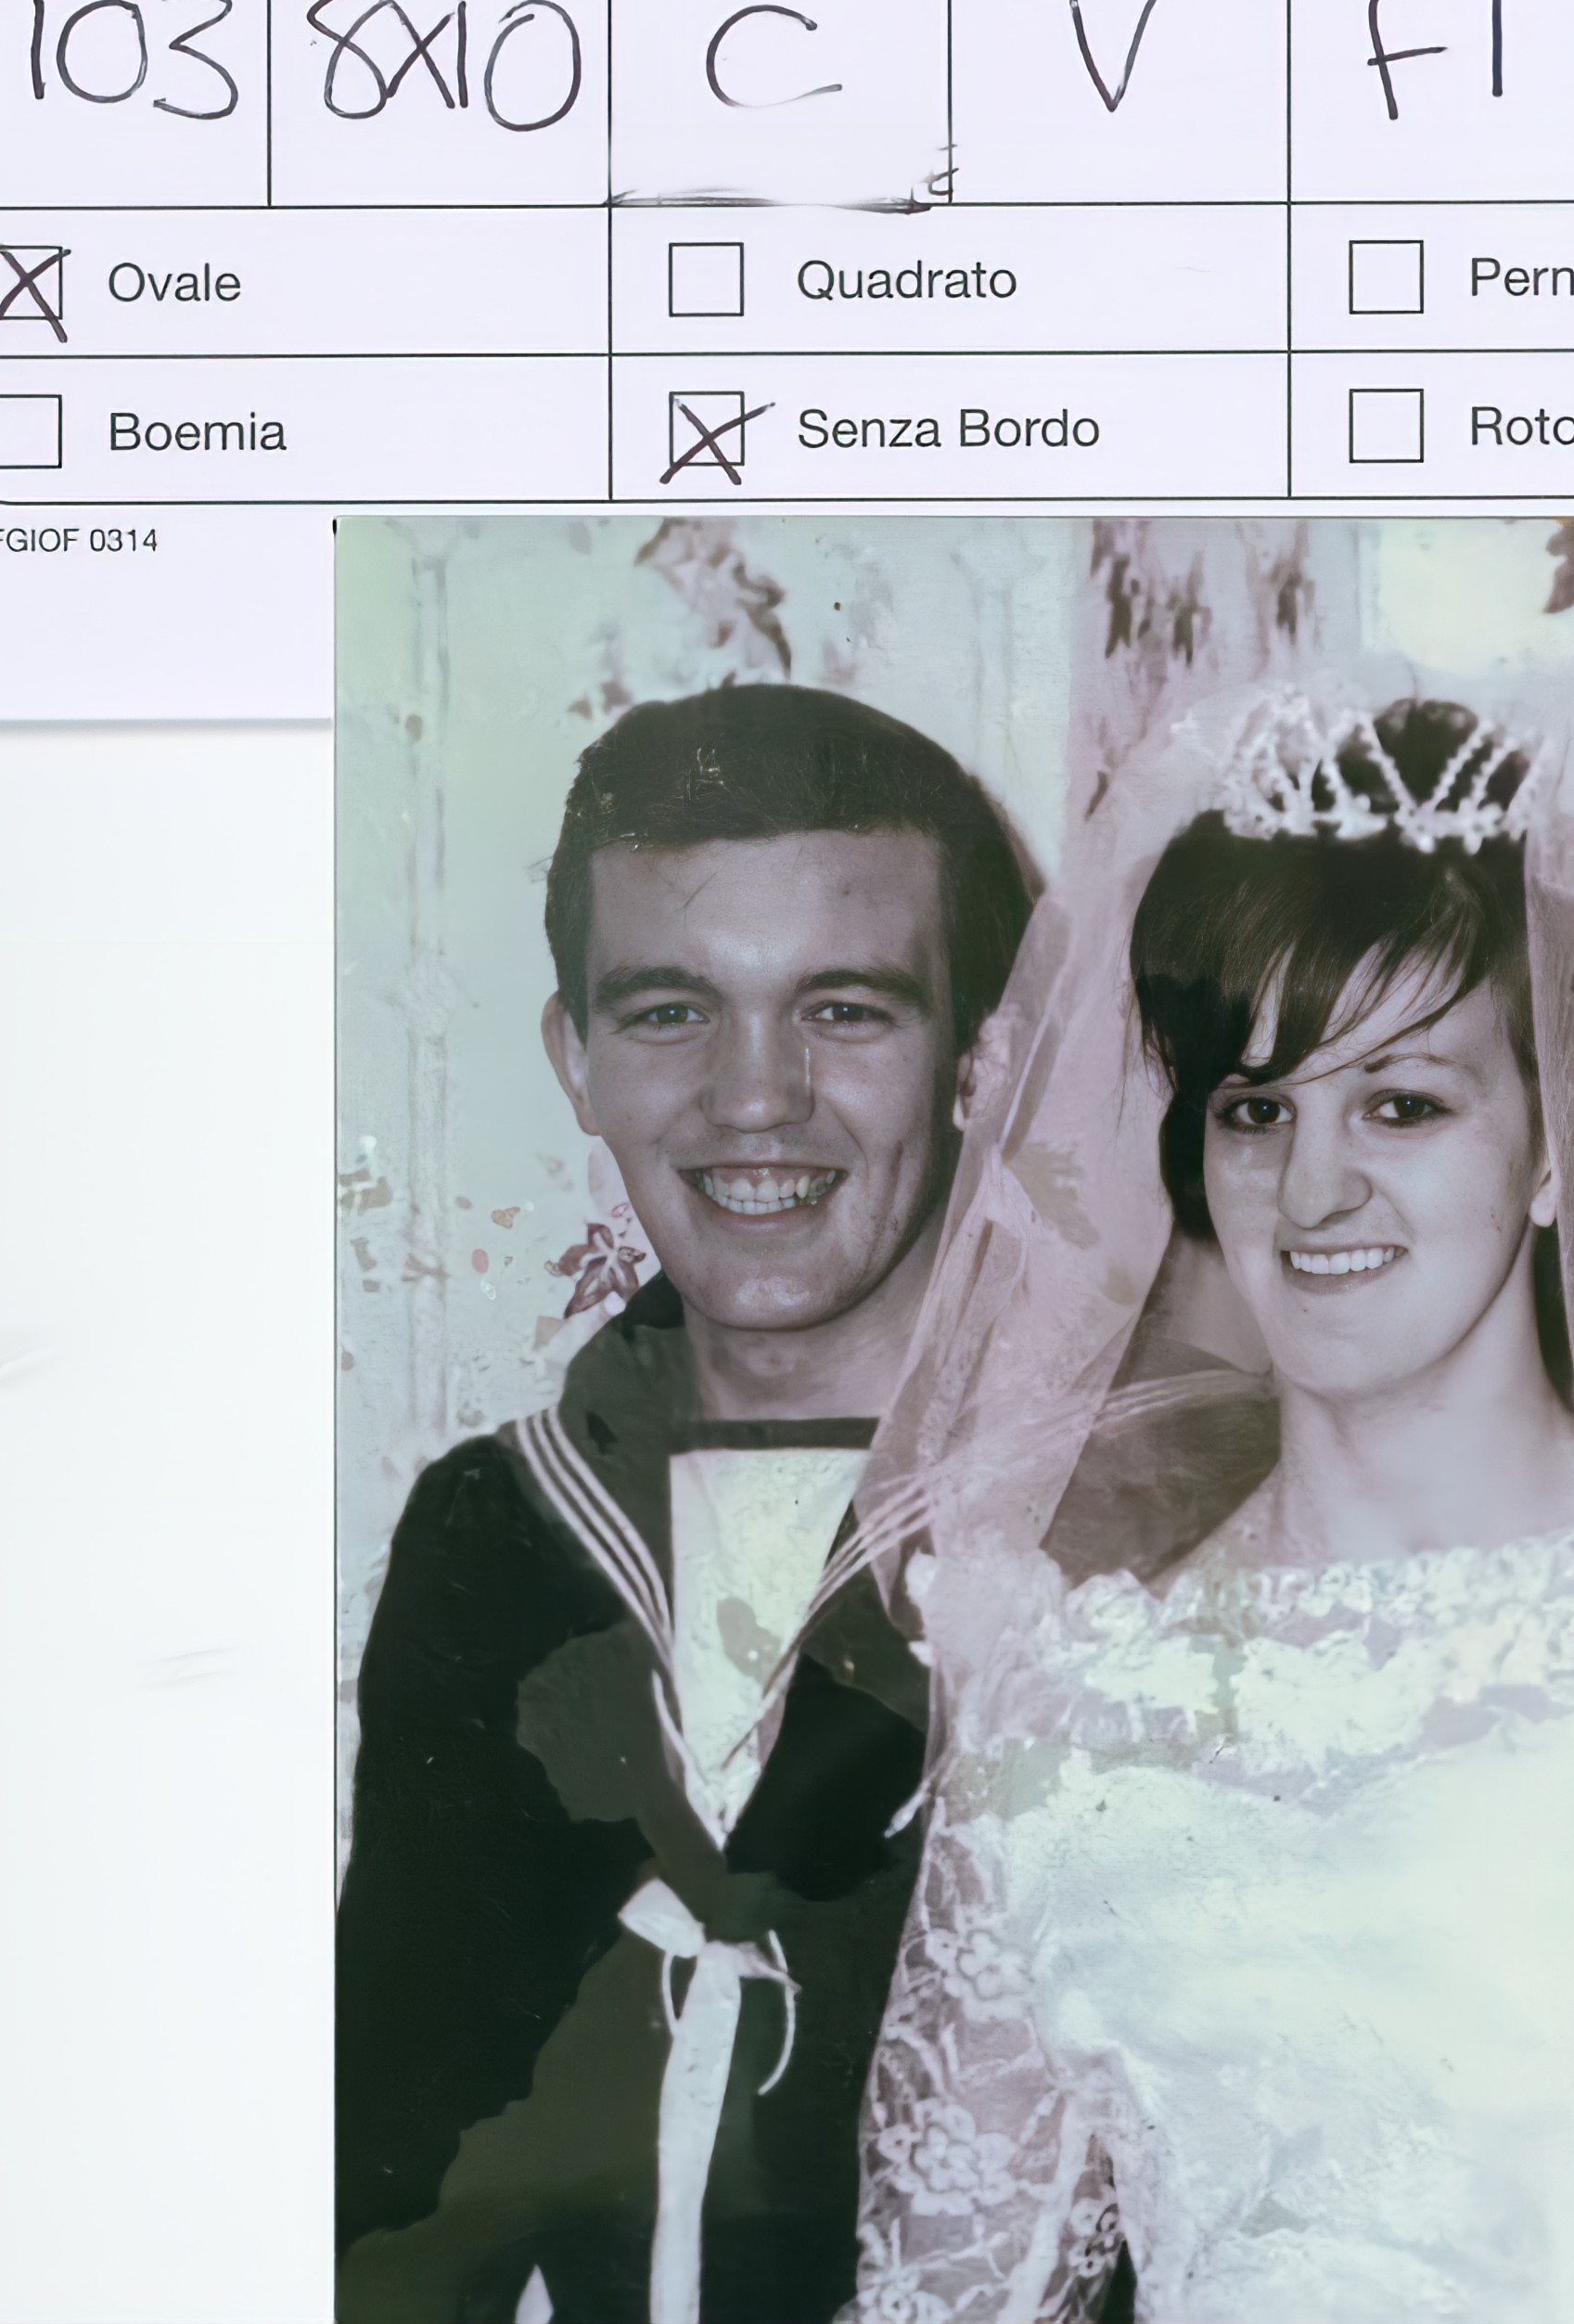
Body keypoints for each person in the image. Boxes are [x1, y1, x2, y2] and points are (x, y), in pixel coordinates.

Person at [843, 679, 1574, 2323]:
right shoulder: (1059, 1703)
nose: (1313, 1189)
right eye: (1255, 1109)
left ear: (1552, 1146)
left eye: (1403, 1104)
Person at [337, 680, 1037, 2324]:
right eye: (668, 1012)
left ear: (981, 1056)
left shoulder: (1128, 1507)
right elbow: (398, 2198)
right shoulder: (495, 1530)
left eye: (844, 1009)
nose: (753, 1097)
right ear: (573, 1060)